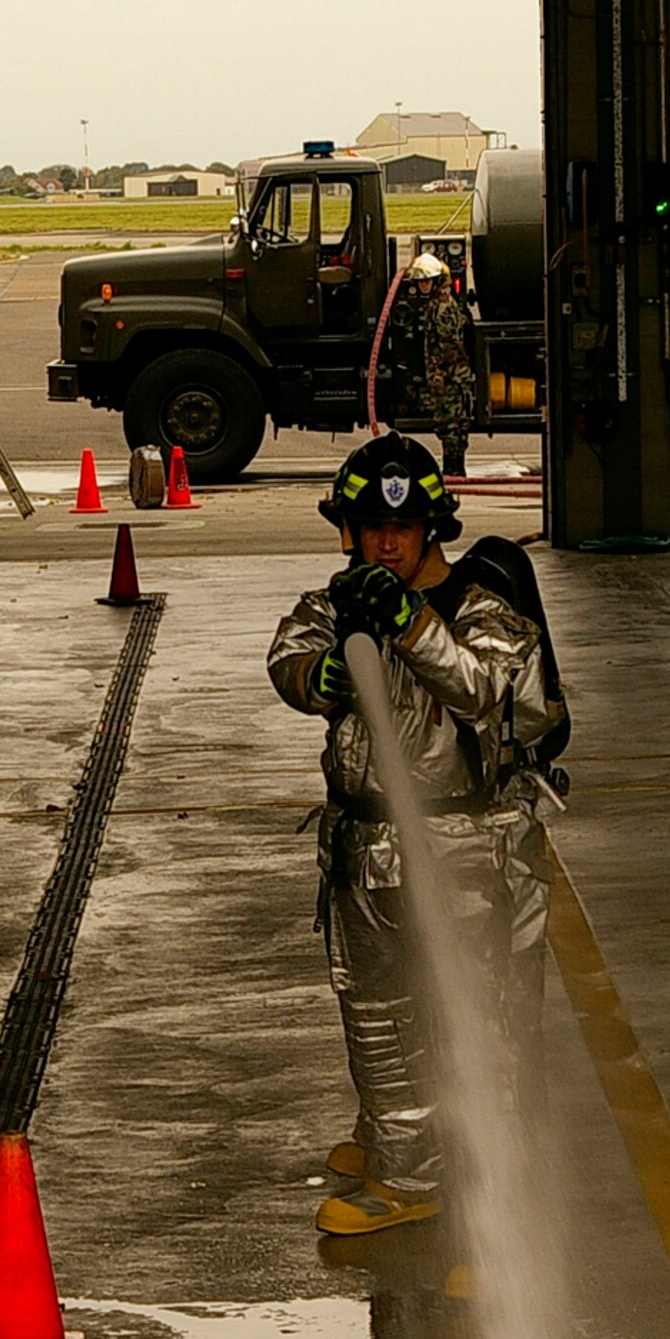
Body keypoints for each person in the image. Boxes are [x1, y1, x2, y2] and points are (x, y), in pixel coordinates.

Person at [266, 433, 541, 1236]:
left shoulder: (483, 613)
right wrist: (315, 673)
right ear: (349, 528)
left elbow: (489, 693)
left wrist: (413, 627)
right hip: (364, 854)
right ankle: (410, 1175)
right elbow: (290, 653)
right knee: (380, 1024)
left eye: (405, 526)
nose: (386, 541)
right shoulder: (338, 602)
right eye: (369, 526)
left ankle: (498, 1207)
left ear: (433, 528)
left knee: (479, 1029)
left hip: (462, 853)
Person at [391, 252, 476, 477]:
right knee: (448, 425)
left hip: (450, 378)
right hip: (445, 378)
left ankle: (454, 471)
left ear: (437, 280)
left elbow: (450, 346)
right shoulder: (438, 303)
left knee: (452, 426)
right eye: (420, 282)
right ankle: (453, 470)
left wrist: (453, 377)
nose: (422, 286)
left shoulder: (443, 308)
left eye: (426, 281)